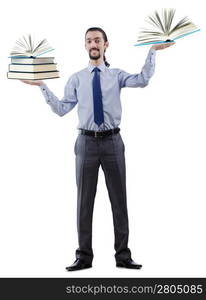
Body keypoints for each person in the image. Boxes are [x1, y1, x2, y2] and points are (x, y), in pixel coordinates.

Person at [22, 27, 174, 271]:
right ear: (85, 46)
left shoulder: (116, 75)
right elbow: (62, 109)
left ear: (106, 45)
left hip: (113, 142)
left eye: (97, 40)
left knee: (119, 199)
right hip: (85, 144)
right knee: (84, 202)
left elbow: (143, 80)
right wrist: (42, 86)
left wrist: (153, 51)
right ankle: (84, 257)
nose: (93, 44)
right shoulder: (76, 79)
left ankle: (123, 256)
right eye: (89, 41)